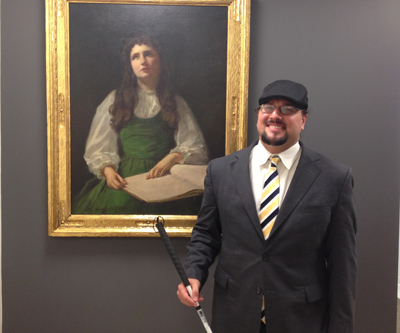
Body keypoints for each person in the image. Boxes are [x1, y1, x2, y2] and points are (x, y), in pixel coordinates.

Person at [177, 80, 357, 333]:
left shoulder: (334, 178)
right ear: (258, 115)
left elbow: (342, 264)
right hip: (234, 314)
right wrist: (193, 274)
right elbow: (205, 235)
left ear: (303, 120)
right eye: (268, 107)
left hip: (301, 319)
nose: (275, 115)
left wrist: (341, 327)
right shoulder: (220, 171)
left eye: (287, 109)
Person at [73, 36, 208, 214]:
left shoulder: (176, 102)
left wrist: (173, 157)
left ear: (160, 60)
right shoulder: (116, 99)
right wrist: (107, 171)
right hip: (127, 179)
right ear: (130, 65)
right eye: (135, 57)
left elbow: (196, 146)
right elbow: (99, 147)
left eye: (148, 54)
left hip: (163, 177)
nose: (142, 61)